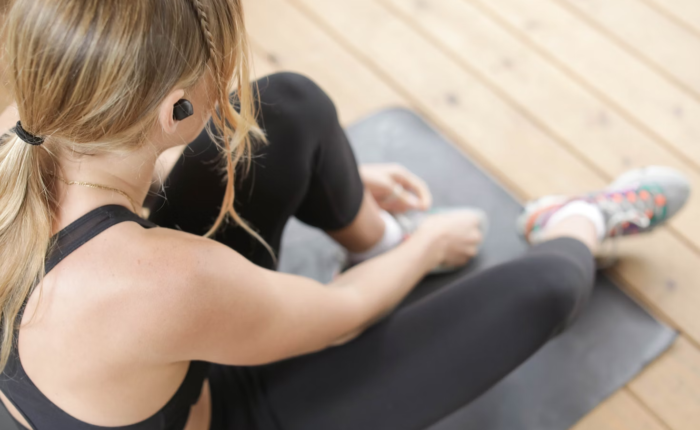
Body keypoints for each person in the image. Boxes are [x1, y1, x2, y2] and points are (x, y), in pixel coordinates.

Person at [0, 1, 690, 429]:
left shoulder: (24, 129)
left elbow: (126, 167)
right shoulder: (162, 281)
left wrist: (352, 188)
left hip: (147, 361)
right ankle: (577, 222)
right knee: (549, 288)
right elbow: (339, 318)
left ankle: (370, 233)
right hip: (225, 412)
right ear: (175, 109)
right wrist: (421, 248)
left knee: (285, 108)